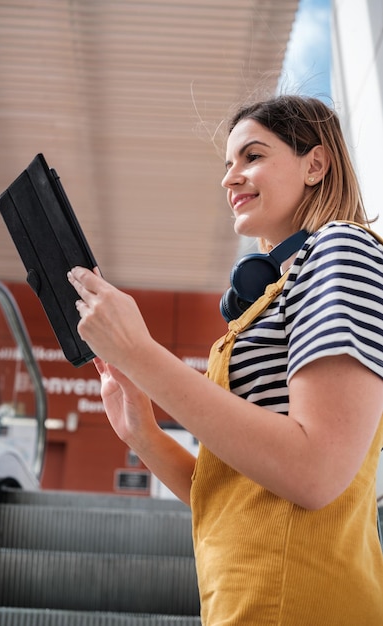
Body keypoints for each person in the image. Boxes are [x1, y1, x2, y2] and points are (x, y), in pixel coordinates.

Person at [67, 95, 383, 625]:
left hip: (302, 602)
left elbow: (316, 471)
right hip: (247, 603)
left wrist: (140, 354)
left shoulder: (342, 249)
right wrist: (143, 434)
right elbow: (236, 497)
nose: (230, 178)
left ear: (315, 164)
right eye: (227, 165)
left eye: (252, 156)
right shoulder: (271, 294)